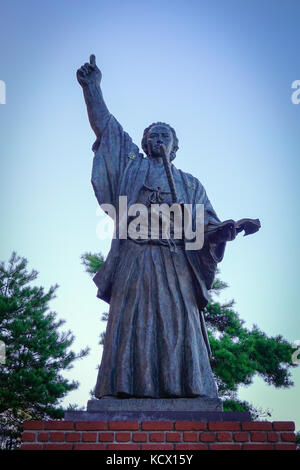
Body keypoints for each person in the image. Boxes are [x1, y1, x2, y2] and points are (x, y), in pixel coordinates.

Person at [77, 55, 238, 399]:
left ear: (176, 148)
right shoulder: (130, 166)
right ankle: (124, 388)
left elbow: (207, 225)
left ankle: (188, 389)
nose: (159, 138)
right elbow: (106, 127)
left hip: (176, 262)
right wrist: (93, 88)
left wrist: (223, 231)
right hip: (136, 258)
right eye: (153, 134)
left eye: (166, 135)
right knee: (132, 322)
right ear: (145, 141)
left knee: (178, 326)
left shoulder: (191, 185)